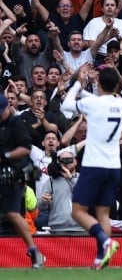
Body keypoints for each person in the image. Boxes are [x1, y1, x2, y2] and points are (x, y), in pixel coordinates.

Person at [60, 66, 122, 270]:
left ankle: (105, 242)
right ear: (116, 85)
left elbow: (66, 106)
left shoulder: (93, 104)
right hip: (114, 166)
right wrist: (87, 88)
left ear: (99, 84)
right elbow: (98, 99)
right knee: (103, 214)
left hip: (94, 165)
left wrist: (79, 82)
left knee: (78, 211)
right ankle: (100, 259)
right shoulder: (121, 103)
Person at [0, 94, 45, 269]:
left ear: (7, 109)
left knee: (12, 213)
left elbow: (25, 149)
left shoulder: (16, 123)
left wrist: (5, 156)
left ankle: (34, 250)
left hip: (15, 173)